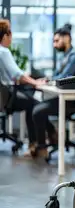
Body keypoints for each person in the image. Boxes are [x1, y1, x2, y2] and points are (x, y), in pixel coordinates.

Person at [31, 24, 75, 158]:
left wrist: (52, 80)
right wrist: (48, 79)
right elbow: (57, 75)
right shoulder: (65, 56)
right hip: (65, 98)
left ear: (67, 38)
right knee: (36, 106)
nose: (54, 44)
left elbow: (63, 78)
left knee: (38, 111)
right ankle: (52, 136)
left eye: (57, 41)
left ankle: (43, 147)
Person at [0, 19, 46, 154]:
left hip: (5, 95)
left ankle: (40, 141)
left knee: (32, 100)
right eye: (10, 35)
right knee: (35, 105)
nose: (11, 39)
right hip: (8, 96)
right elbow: (18, 75)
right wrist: (36, 82)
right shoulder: (3, 52)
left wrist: (30, 81)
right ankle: (37, 143)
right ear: (5, 36)